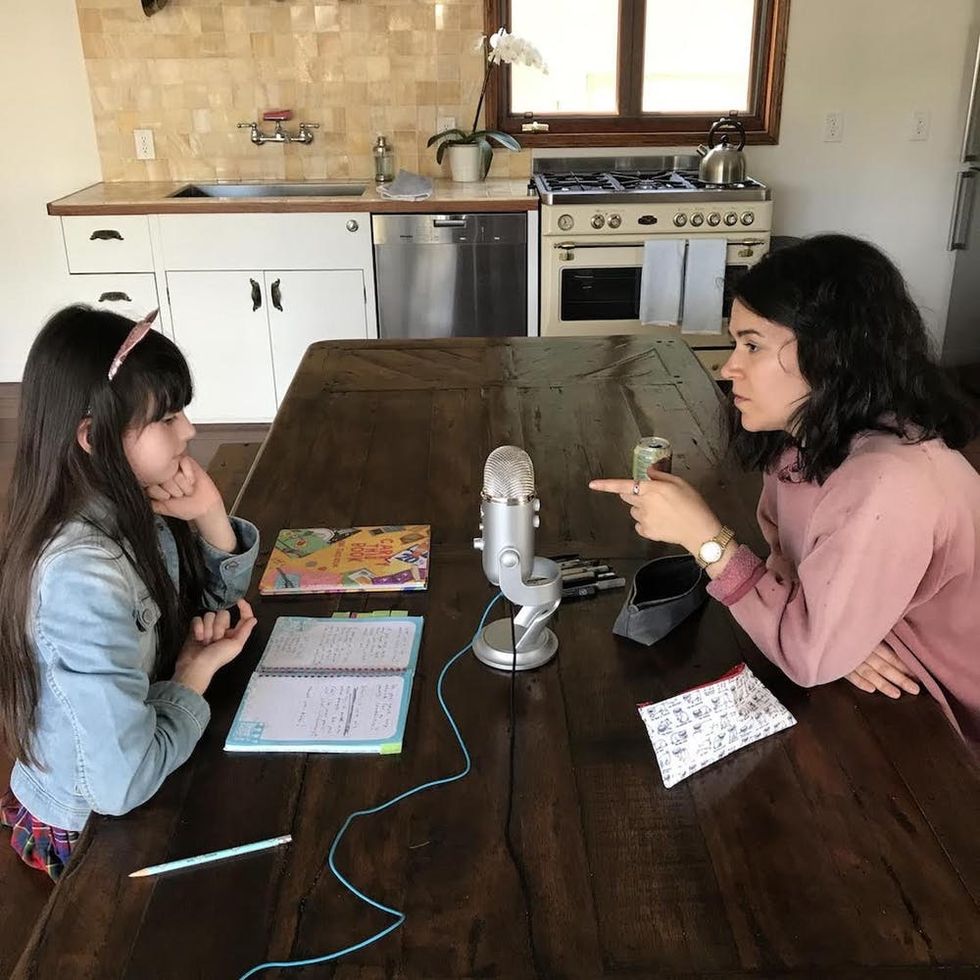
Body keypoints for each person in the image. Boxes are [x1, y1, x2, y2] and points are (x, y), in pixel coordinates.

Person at [591, 234, 980, 747]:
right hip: (884, 666)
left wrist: (707, 541)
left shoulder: (890, 482)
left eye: (752, 345)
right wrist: (842, 632)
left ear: (831, 352)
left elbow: (808, 659)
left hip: (943, 721)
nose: (728, 368)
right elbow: (790, 564)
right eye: (735, 343)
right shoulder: (803, 441)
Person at [0, 305, 260, 879]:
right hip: (86, 828)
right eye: (167, 418)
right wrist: (192, 675)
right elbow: (122, 784)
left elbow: (213, 613)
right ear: (92, 437)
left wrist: (211, 516)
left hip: (142, 752)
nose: (189, 431)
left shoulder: (130, 499)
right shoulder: (80, 575)